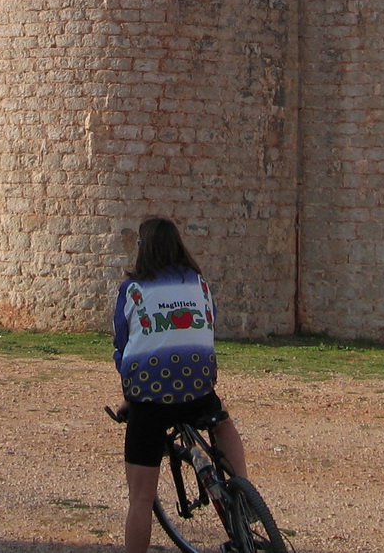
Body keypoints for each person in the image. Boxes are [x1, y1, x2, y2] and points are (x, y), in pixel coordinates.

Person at [110, 216, 247, 553]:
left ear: (142, 248)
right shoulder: (199, 283)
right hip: (197, 389)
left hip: (150, 399)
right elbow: (209, 323)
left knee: (140, 500)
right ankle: (243, 491)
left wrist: (129, 395)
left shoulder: (133, 290)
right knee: (222, 420)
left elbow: (123, 346)